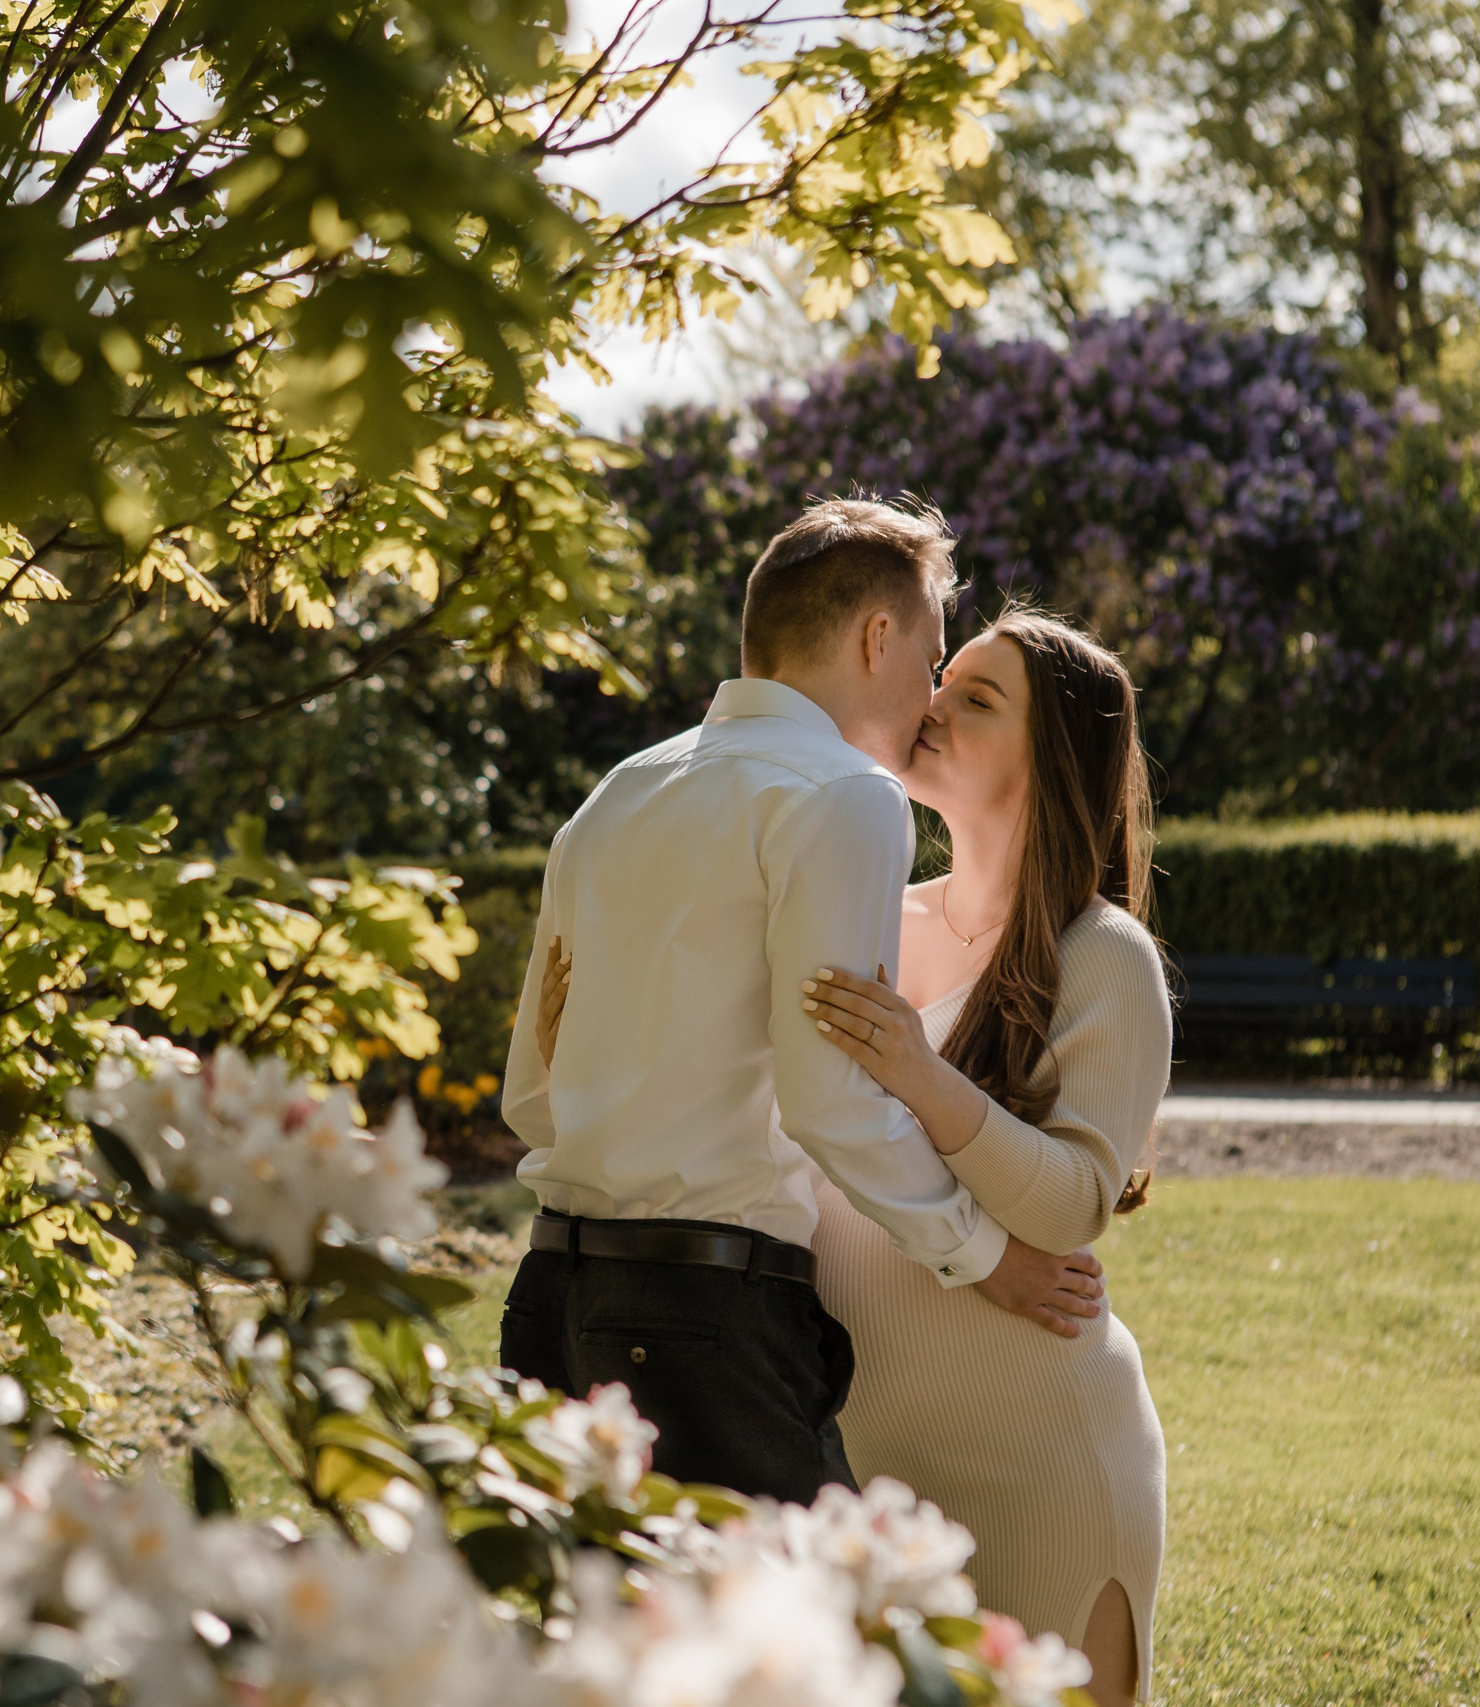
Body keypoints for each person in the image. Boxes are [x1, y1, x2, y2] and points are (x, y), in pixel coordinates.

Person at [539, 606, 1172, 1707]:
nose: (931, 703)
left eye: (977, 699)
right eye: (944, 676)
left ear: (1054, 758)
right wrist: (581, 1027)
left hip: (1038, 1449)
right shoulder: (865, 903)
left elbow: (1071, 1205)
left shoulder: (1103, 957)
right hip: (851, 1450)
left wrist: (921, 1077)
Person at [495, 498, 1107, 1511]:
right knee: (813, 1651)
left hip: (551, 1303)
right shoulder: (841, 796)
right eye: (932, 654)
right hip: (705, 1326)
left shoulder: (615, 796)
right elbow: (829, 1101)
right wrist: (984, 1256)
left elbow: (533, 1102)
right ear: (877, 637)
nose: (932, 694)